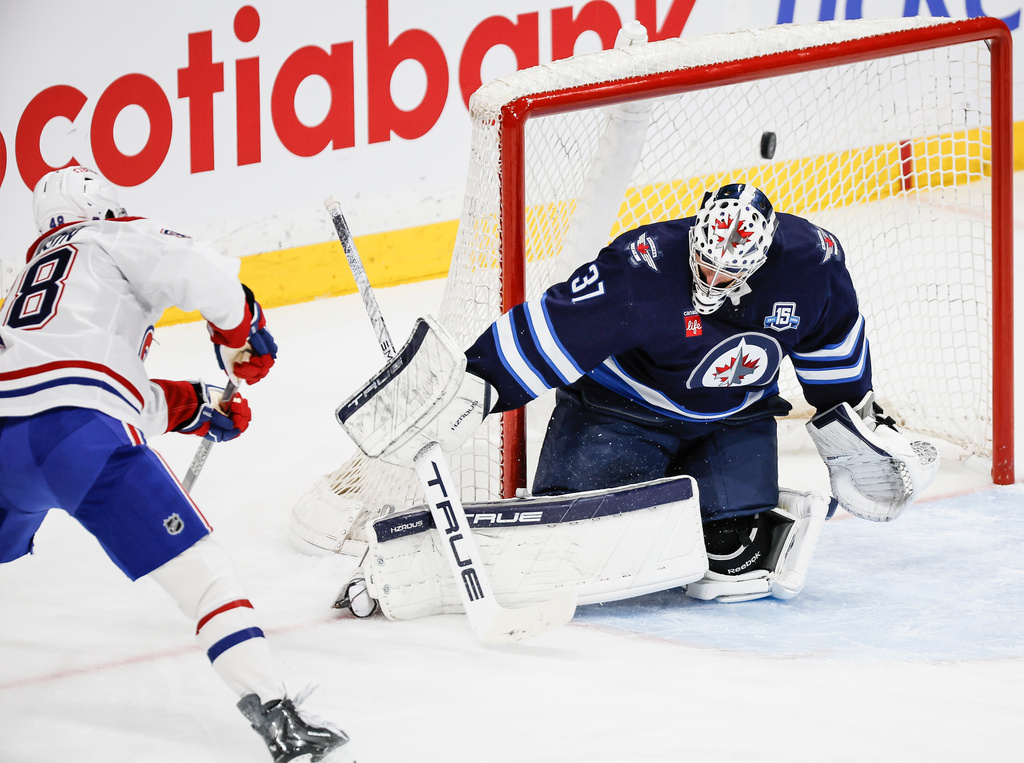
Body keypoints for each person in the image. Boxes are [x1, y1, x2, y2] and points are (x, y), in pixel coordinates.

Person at [341, 182, 938, 607]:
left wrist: (849, 416)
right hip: (621, 413)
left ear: (759, 263)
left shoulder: (812, 263)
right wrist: (474, 388)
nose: (711, 278)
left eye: (729, 274)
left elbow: (833, 338)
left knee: (735, 560)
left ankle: (709, 493)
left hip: (733, 416)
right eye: (705, 261)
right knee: (571, 542)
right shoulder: (641, 268)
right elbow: (553, 330)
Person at [0, 166, 350, 762]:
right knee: (204, 574)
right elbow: (197, 268)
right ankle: (275, 713)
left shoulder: (23, 289)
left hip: (7, 449)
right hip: (80, 441)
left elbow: (88, 377)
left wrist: (193, 407)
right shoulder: (108, 237)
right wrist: (242, 325)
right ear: (104, 208)